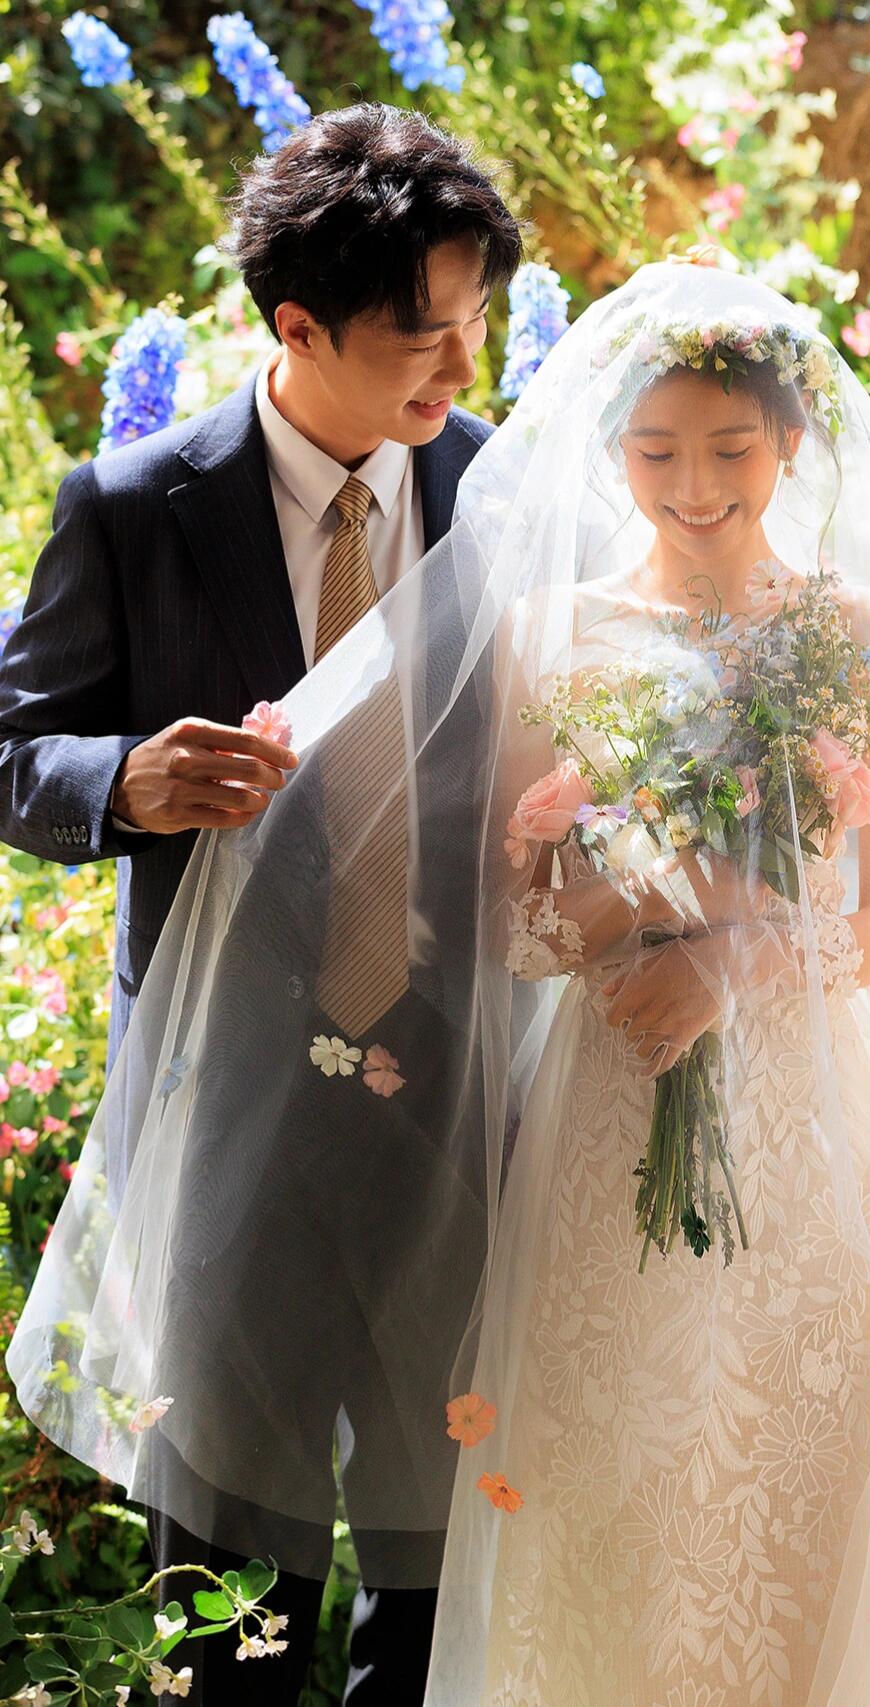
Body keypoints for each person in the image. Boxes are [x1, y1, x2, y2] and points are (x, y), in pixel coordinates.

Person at [11, 256, 870, 1704]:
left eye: (732, 450)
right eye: (655, 453)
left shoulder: (863, 630)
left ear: (792, 443)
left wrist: (735, 942)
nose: (693, 486)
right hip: (591, 1107)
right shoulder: (549, 625)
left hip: (817, 1122)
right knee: (603, 1484)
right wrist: (665, 882)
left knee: (806, 1470)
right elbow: (521, 920)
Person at [0, 103, 521, 1705]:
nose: (463, 366)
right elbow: (11, 753)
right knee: (227, 1610)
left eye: (477, 320)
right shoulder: (132, 504)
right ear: (297, 327)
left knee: (442, 1601)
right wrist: (125, 782)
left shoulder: (508, 493)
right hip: (225, 1116)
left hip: (464, 1109)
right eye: (423, 336)